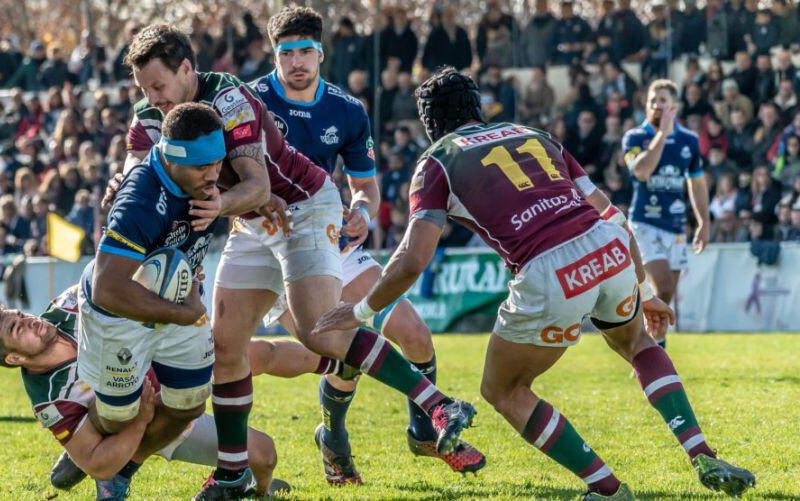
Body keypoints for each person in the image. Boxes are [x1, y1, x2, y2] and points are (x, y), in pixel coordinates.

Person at [314, 66, 756, 500]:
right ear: (478, 108)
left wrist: (360, 311)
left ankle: (607, 489)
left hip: (548, 268)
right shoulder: (533, 134)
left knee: (501, 390)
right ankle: (702, 454)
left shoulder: (438, 160)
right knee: (638, 343)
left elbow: (412, 260)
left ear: (430, 124)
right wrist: (643, 288)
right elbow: (610, 211)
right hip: (608, 247)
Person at [119, 25, 477, 500]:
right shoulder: (149, 116)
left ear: (187, 69)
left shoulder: (228, 99)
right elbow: (135, 174)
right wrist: (121, 189)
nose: (153, 98)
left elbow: (259, 186)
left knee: (322, 331)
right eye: (145, 90)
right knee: (226, 347)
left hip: (304, 206)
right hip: (251, 221)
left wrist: (219, 204)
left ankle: (437, 404)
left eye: (159, 86)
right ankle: (232, 475)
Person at [247, 6, 484, 484]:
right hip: (268, 242)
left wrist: (361, 209)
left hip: (331, 238)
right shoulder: (249, 102)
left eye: (305, 52)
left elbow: (366, 188)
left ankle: (423, 433)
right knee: (341, 350)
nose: (296, 62)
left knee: (415, 332)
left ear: (321, 53)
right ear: (275, 55)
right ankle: (333, 438)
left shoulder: (348, 110)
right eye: (286, 53)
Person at [0, 284, 289, 497]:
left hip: (169, 364)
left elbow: (117, 280)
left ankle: (253, 486)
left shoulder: (70, 305)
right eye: (17, 328)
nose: (29, 321)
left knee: (265, 453)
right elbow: (98, 463)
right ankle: (117, 464)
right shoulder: (48, 397)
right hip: (153, 417)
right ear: (14, 358)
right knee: (125, 418)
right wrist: (138, 424)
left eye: (22, 315)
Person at [82, 103, 250, 499]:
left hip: (179, 301)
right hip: (119, 313)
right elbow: (109, 287)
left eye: (218, 162)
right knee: (117, 415)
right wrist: (183, 313)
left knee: (189, 402)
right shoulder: (140, 198)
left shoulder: (204, 167)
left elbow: (253, 184)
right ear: (172, 160)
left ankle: (122, 469)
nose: (214, 176)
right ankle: (84, 447)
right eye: (202, 168)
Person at [622, 80, 711, 349]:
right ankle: (650, 353)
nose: (657, 105)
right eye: (652, 101)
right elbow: (641, 171)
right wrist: (662, 135)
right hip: (644, 222)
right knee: (660, 283)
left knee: (667, 293)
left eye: (663, 100)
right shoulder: (635, 137)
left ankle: (651, 348)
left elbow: (696, 183)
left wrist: (703, 223)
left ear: (675, 105)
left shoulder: (689, 141)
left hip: (675, 225)